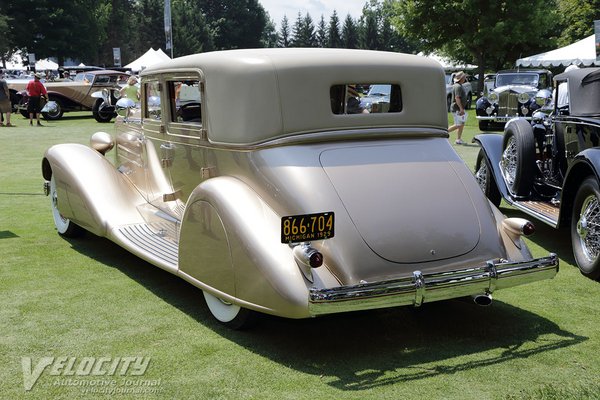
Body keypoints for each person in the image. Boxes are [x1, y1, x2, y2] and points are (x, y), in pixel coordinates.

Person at [448, 71, 468, 145]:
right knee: (458, 124)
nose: (465, 78)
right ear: (461, 78)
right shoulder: (458, 86)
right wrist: (461, 109)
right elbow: (457, 98)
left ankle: (458, 139)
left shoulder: (459, 85)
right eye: (464, 77)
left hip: (459, 108)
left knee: (461, 124)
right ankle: (444, 133)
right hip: (457, 108)